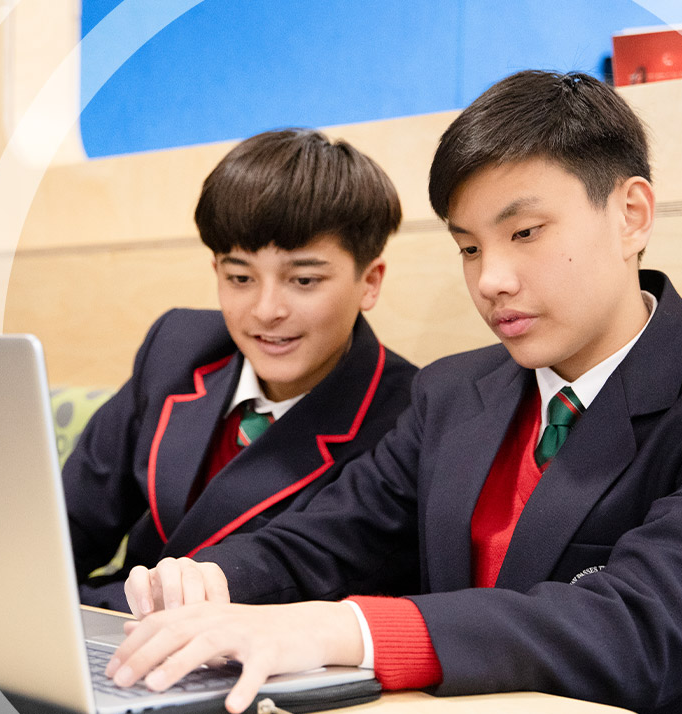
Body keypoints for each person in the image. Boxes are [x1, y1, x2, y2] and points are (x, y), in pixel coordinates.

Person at [103, 71, 682, 714]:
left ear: (631, 216)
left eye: (524, 233)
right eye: (470, 247)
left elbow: (642, 629)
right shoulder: (454, 391)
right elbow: (331, 538)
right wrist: (205, 581)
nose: (491, 280)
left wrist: (341, 630)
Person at [64, 128, 421, 612]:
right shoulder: (177, 348)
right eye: (239, 278)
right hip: (113, 632)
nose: (265, 310)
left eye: (303, 280)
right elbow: (66, 527)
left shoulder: (408, 417)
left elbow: (304, 583)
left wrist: (78, 605)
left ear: (369, 282)